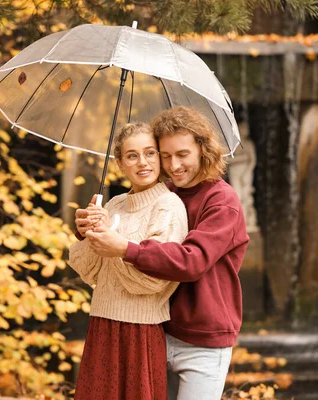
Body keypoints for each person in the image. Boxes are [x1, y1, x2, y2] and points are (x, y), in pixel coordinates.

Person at [81, 106, 250, 400]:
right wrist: (89, 227)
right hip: (155, 328)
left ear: (203, 149)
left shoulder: (223, 201)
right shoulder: (163, 192)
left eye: (182, 154)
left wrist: (124, 249)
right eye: (166, 155)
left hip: (203, 339)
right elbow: (127, 225)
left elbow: (191, 260)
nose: (174, 165)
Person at [69, 122, 188, 400]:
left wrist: (116, 244)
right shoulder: (113, 205)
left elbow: (155, 279)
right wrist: (88, 233)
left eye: (150, 153)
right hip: (102, 323)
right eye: (132, 156)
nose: (142, 162)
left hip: (140, 332)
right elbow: (91, 272)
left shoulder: (168, 205)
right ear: (120, 163)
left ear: (160, 158)